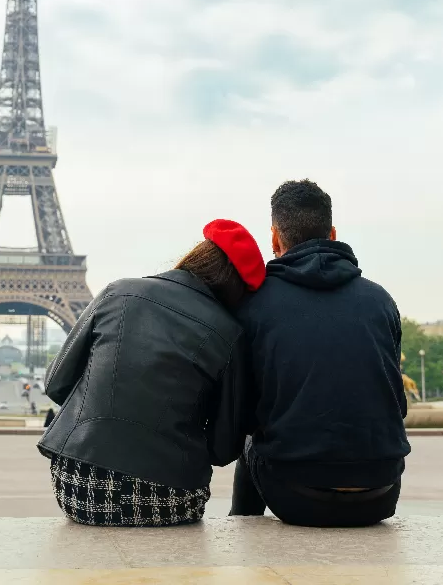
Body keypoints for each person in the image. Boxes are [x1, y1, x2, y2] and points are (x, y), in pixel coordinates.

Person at [38, 219, 264, 527]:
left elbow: (56, 384)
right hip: (168, 498)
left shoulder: (117, 292)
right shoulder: (228, 334)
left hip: (78, 487)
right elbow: (223, 449)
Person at [230, 180, 409, 527]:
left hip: (295, 495)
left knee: (252, 441)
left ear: (274, 239)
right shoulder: (380, 301)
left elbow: (244, 413)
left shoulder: (254, 305)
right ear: (333, 233)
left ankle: (242, 525)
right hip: (381, 493)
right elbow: (396, 403)